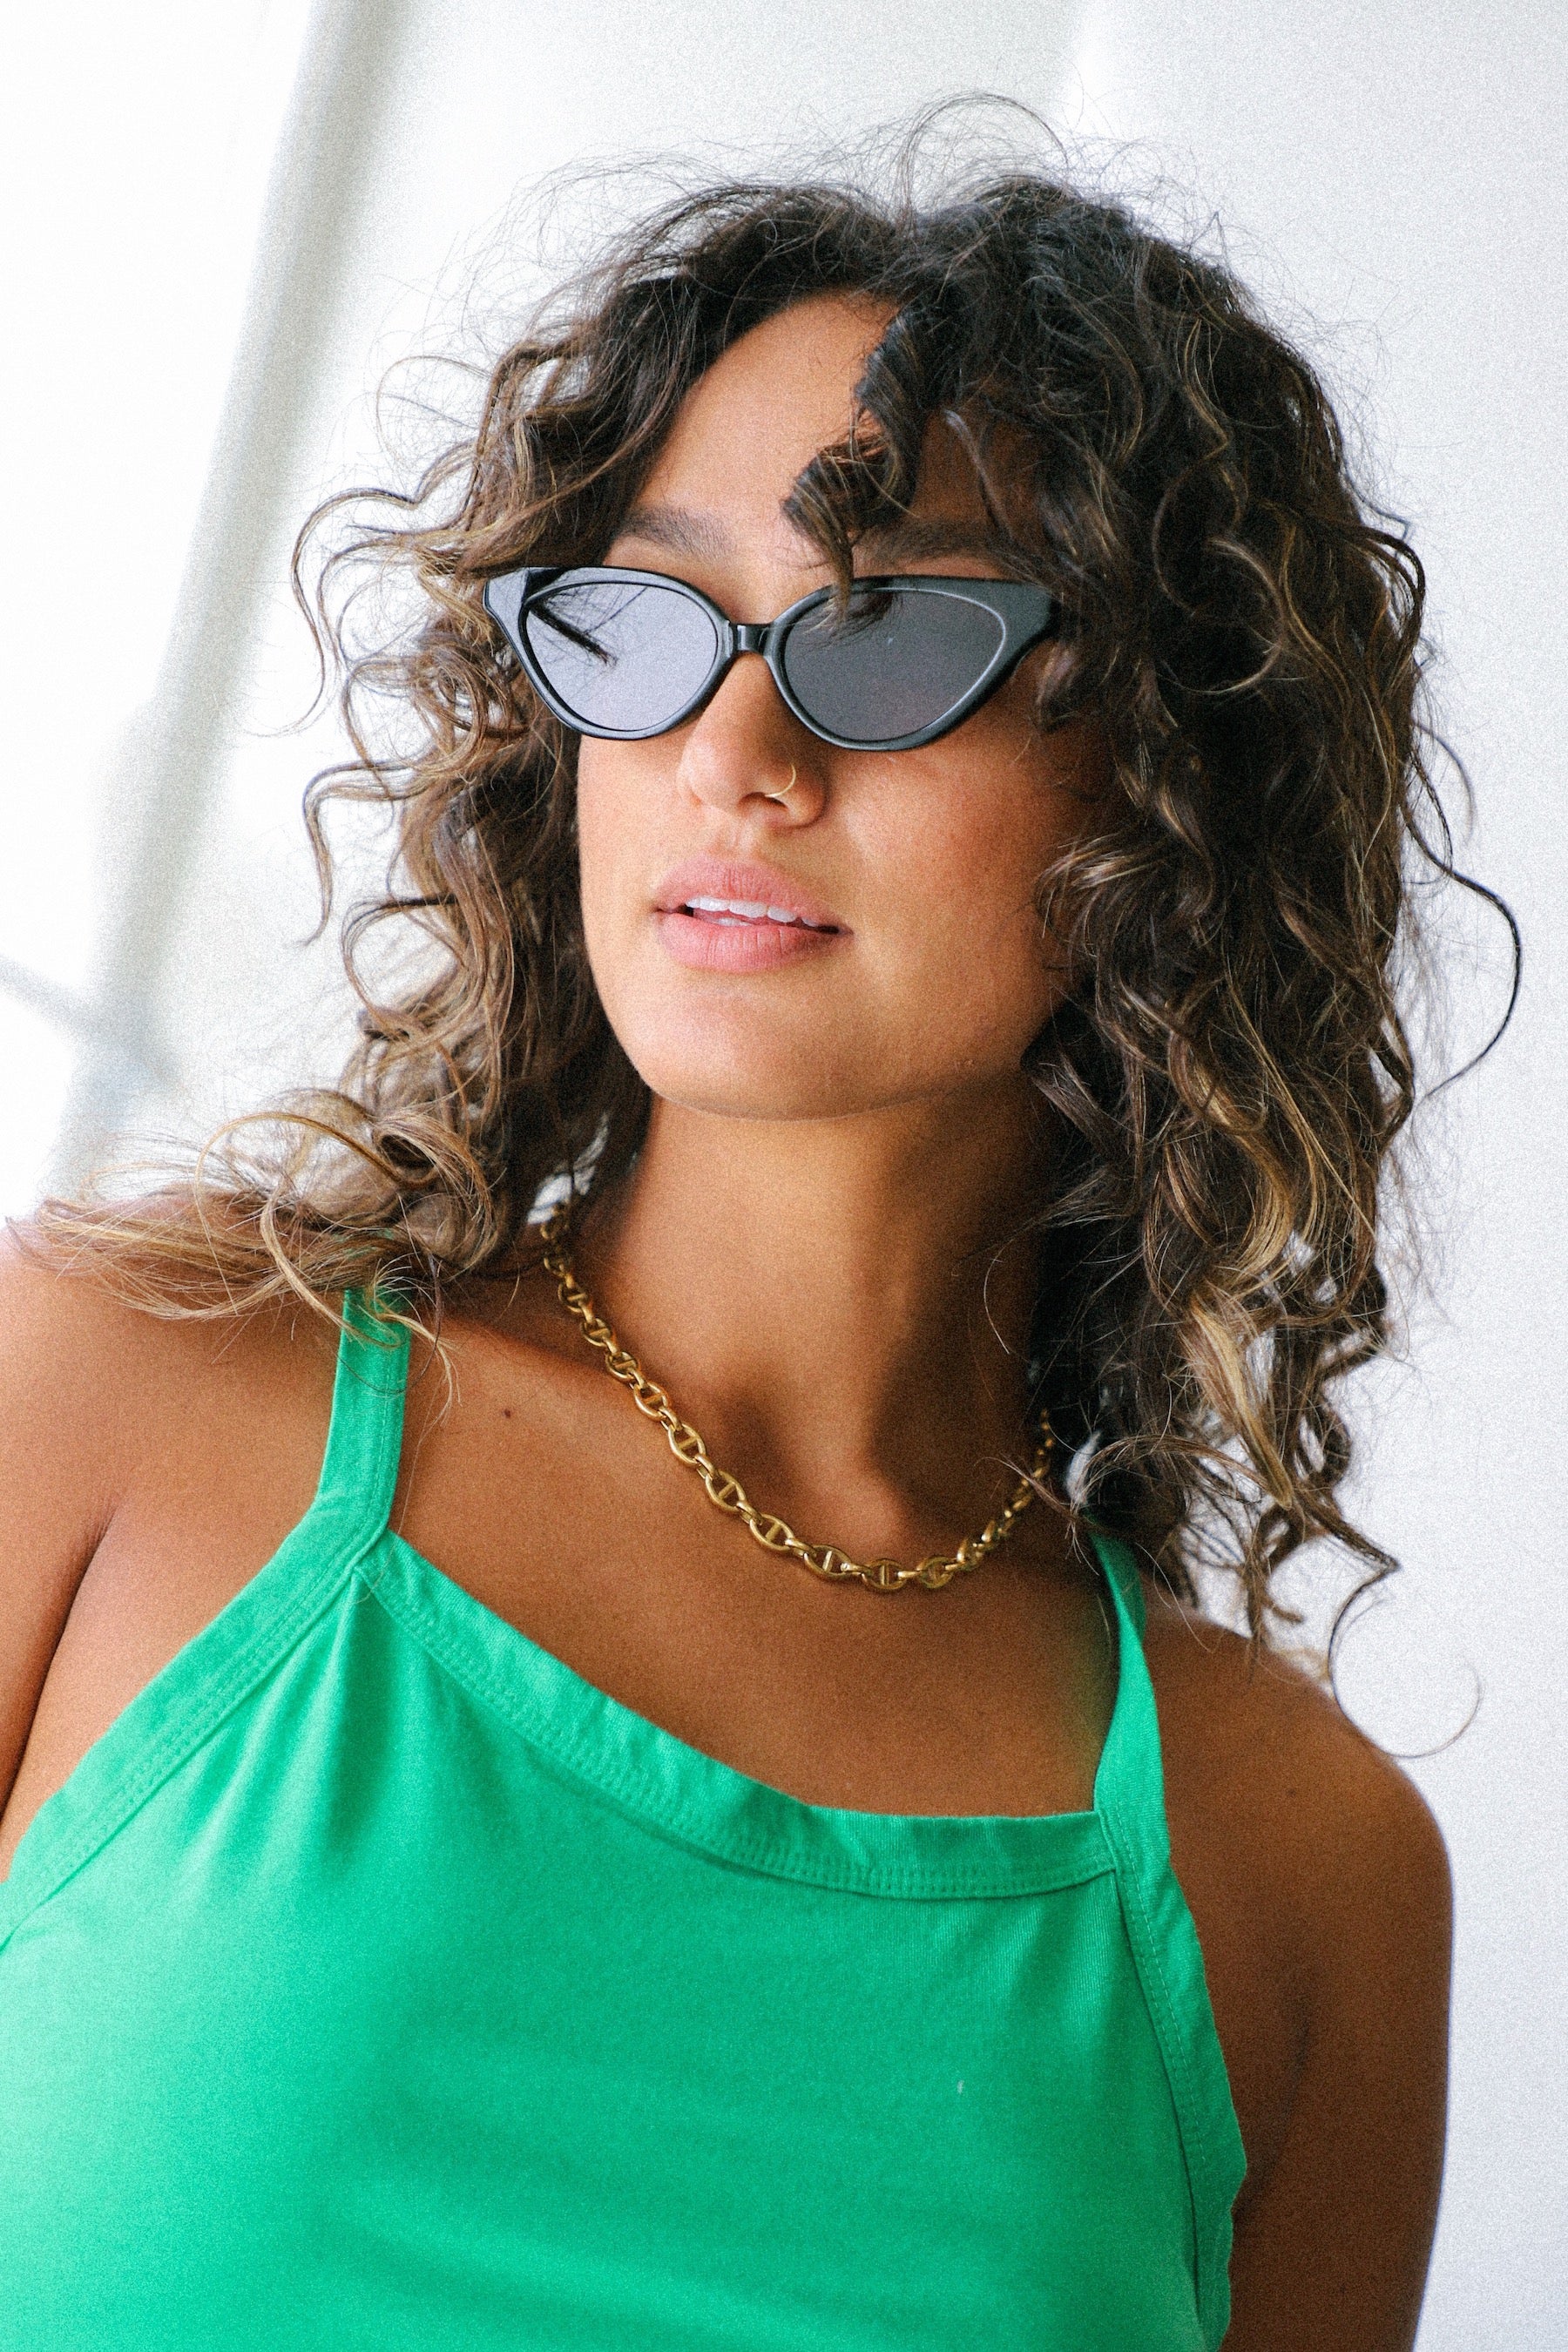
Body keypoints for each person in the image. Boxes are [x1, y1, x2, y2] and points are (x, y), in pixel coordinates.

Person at [0, 166, 1458, 2350]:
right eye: (653, 620)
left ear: (1172, 783)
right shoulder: (107, 1399)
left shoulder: (1301, 1873)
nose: (732, 754)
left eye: (894, 639)